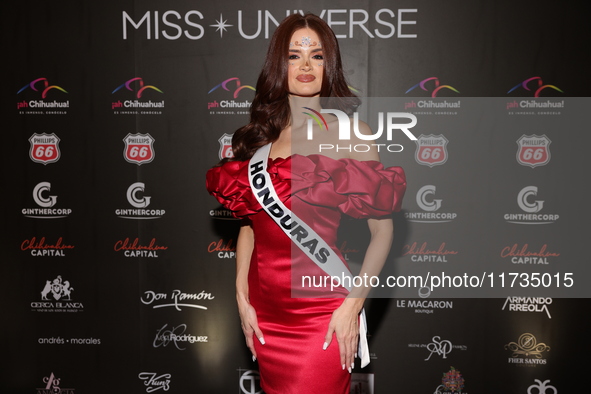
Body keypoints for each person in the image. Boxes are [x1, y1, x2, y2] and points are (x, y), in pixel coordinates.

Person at [206, 13, 406, 394]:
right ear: (279, 64)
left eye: (316, 55)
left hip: (321, 312)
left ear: (328, 64)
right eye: (294, 54)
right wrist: (241, 298)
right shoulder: (261, 141)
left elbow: (383, 232)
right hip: (265, 314)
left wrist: (353, 306)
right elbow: (248, 228)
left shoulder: (350, 134)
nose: (305, 65)